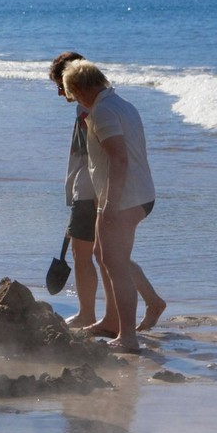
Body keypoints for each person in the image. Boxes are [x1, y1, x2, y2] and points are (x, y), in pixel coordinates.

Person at [50, 52, 164, 338]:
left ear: (80, 88)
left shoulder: (101, 111)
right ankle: (116, 322)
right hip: (130, 194)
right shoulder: (123, 105)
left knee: (115, 263)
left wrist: (109, 204)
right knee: (107, 256)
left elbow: (119, 160)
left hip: (122, 198)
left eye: (71, 93)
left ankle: (127, 336)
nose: (72, 99)